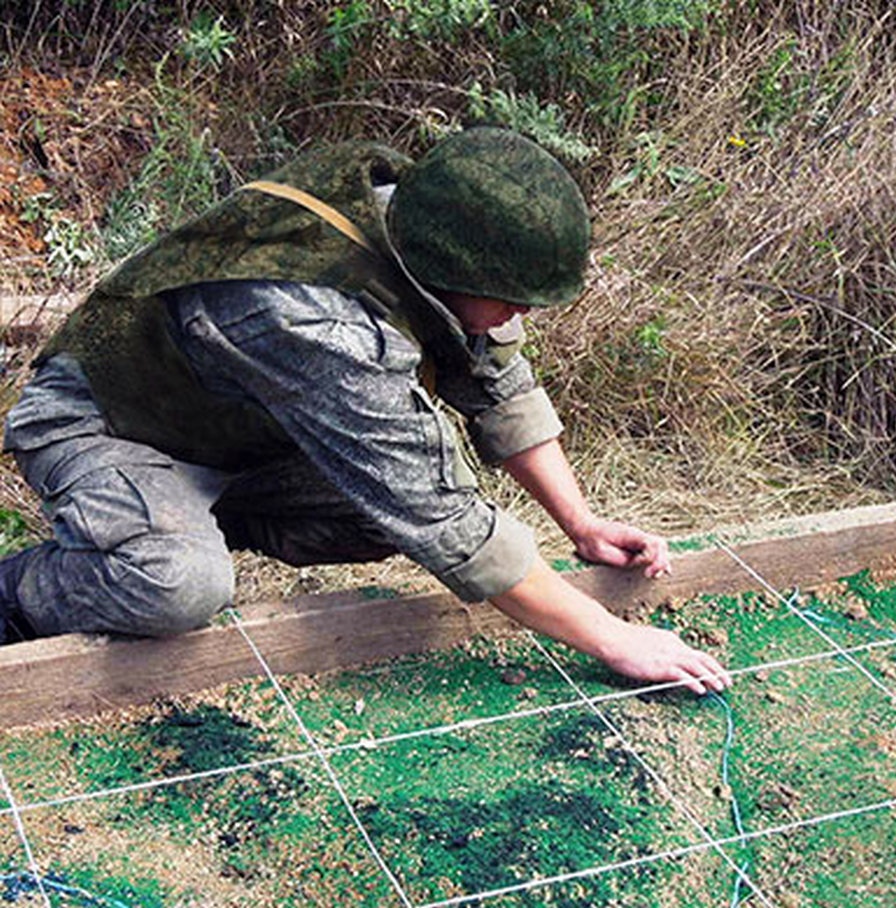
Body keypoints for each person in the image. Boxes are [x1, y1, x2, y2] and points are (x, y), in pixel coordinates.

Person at [0, 127, 730, 695]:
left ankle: (184, 525)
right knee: (179, 585)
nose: (518, 314)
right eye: (511, 298)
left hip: (242, 429)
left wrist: (582, 524)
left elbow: (499, 382)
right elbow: (441, 514)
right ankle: (20, 594)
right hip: (112, 420)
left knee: (377, 516)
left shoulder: (429, 228)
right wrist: (612, 638)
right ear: (448, 269)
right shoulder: (308, 314)